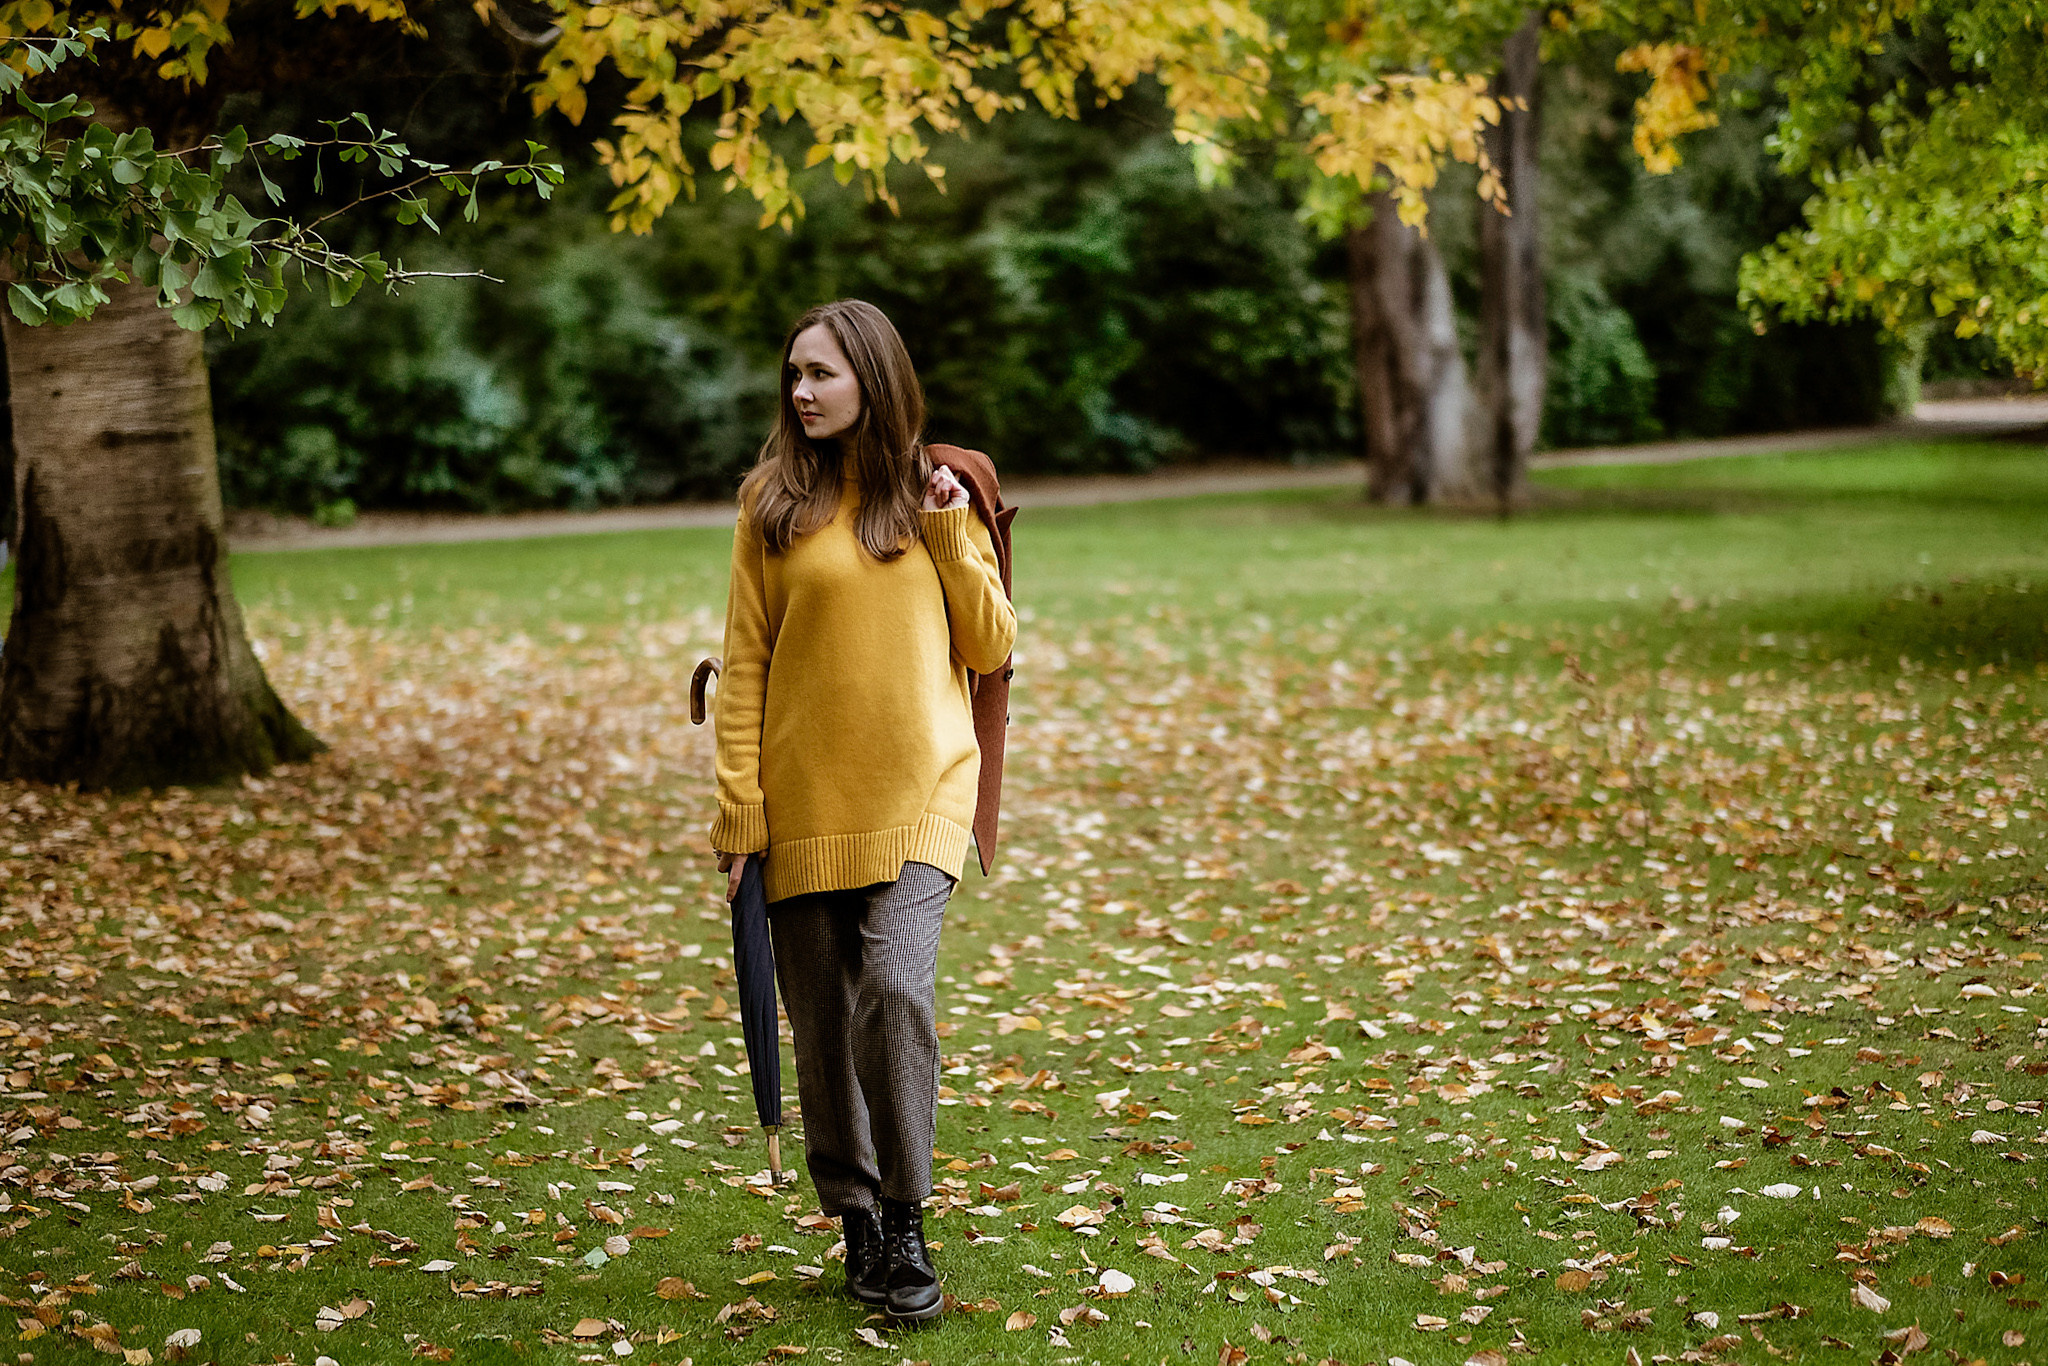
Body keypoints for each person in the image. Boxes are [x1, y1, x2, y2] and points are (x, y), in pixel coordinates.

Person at [708, 299, 1016, 1324]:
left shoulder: (932, 494)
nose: (800, 391)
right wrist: (739, 813)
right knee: (823, 1025)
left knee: (891, 985)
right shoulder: (769, 507)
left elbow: (988, 643)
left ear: (872, 380)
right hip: (800, 804)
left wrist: (946, 525)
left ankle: (908, 1212)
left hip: (923, 789)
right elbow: (745, 664)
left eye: (821, 374)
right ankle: (857, 1222)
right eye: (792, 374)